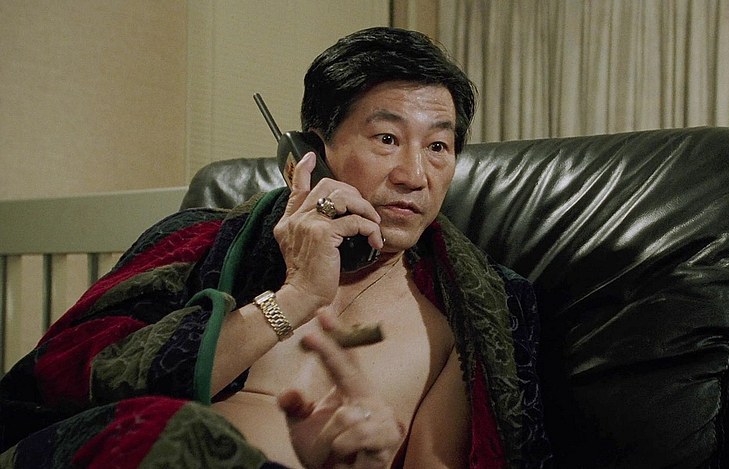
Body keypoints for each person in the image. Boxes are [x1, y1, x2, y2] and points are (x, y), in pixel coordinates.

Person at [0, 27, 552, 468]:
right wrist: (295, 297)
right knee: (185, 433)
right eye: (387, 139)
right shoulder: (196, 243)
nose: (415, 175)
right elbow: (80, 386)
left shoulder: (476, 316)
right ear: (311, 150)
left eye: (438, 146)